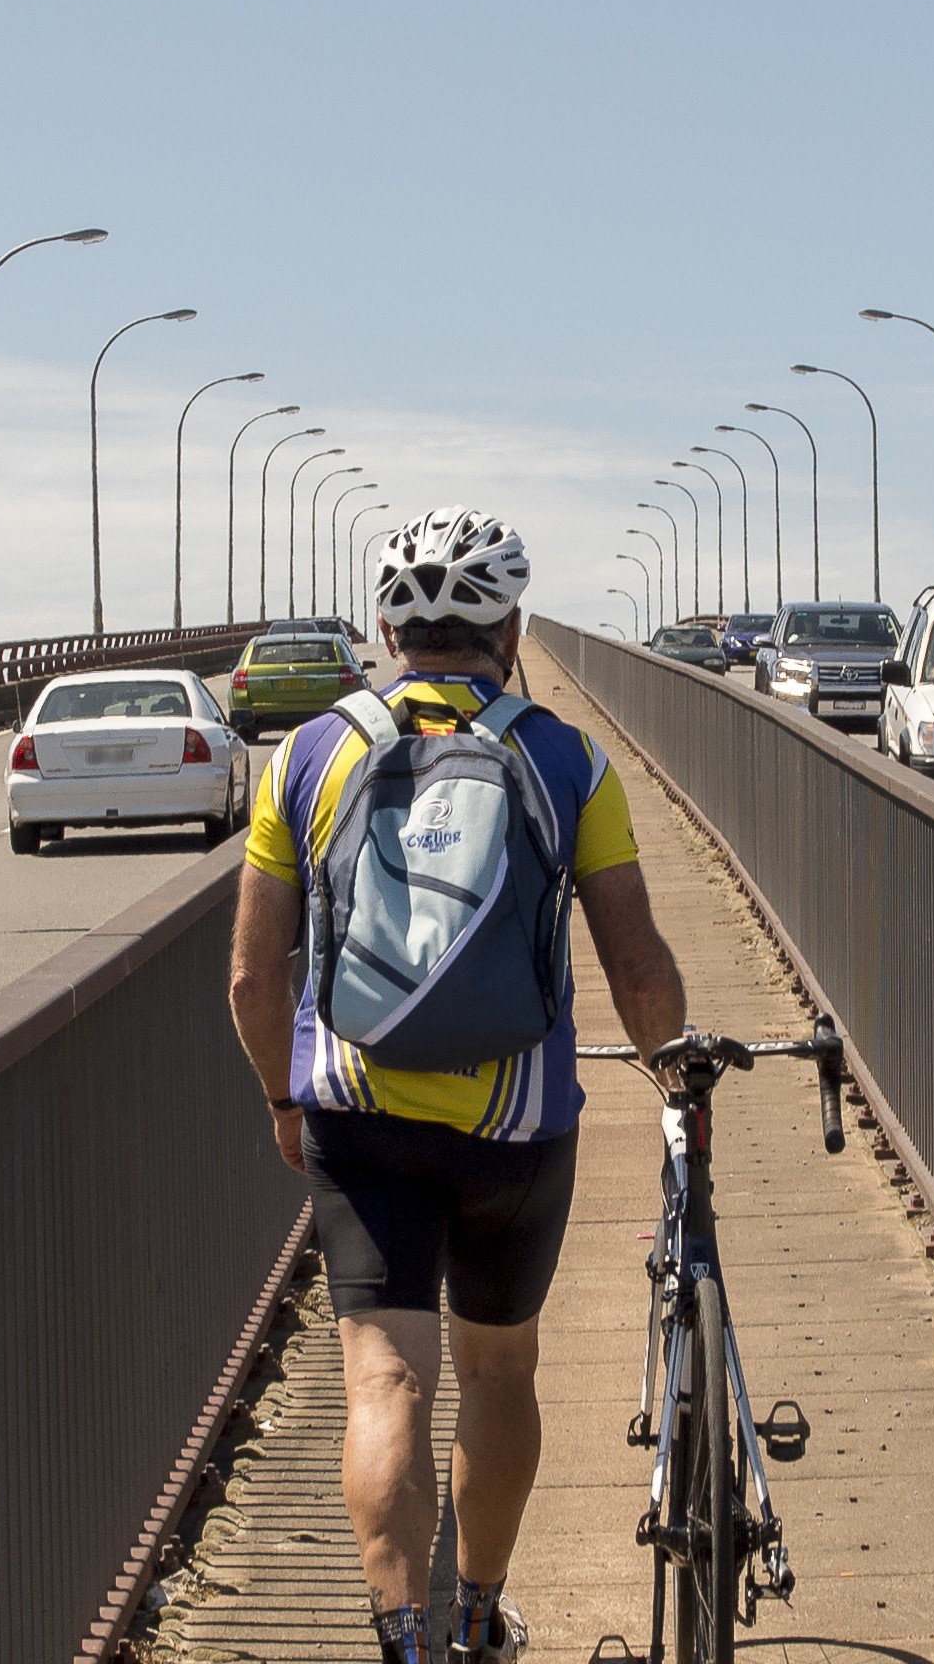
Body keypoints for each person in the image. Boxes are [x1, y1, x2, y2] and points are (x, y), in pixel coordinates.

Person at [227, 509, 691, 1664]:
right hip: (515, 1125)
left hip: (356, 1113)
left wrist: (285, 1097)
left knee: (384, 1378)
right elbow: (638, 966)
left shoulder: (307, 755)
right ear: (513, 627)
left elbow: (250, 974)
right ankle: (479, 1609)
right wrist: (667, 1060)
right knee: (495, 1366)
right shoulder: (565, 757)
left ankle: (404, 1637)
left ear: (387, 627)